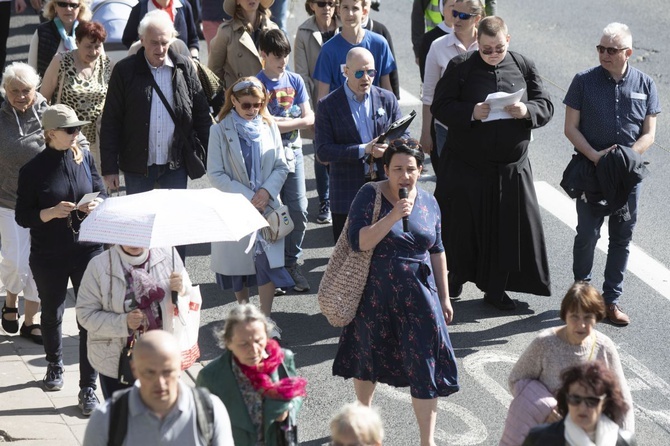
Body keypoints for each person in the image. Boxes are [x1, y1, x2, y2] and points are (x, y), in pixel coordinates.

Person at [332, 140, 459, 446]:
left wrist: (444, 296)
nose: (404, 176)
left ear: (420, 171)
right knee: (367, 358)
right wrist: (393, 216)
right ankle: (362, 423)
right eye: (398, 169)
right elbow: (359, 241)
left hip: (419, 295)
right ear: (385, 169)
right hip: (374, 295)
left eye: (411, 169)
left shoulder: (429, 202)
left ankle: (426, 441)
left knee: (425, 363)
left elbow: (437, 250)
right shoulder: (370, 194)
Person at [432, 16, 554, 310]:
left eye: (498, 48)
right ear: (477, 44)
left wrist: (526, 109)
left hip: (510, 170)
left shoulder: (523, 64)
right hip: (468, 167)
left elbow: (546, 105)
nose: (493, 55)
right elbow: (440, 106)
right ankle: (456, 277)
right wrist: (472, 112)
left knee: (506, 233)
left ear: (507, 41)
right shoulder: (461, 67)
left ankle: (497, 290)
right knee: (462, 230)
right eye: (486, 50)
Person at [563, 22, 660, 326]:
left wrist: (625, 159)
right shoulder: (583, 81)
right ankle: (581, 296)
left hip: (626, 175)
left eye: (611, 50)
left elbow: (649, 134)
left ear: (628, 53)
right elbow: (570, 128)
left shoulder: (645, 84)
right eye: (601, 48)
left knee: (621, 238)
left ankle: (610, 301)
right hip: (591, 170)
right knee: (588, 234)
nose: (604, 54)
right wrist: (596, 157)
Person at [14, 104, 105, 416]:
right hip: (49, 253)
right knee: (51, 314)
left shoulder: (85, 156)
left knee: (88, 317)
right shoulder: (33, 170)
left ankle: (88, 387)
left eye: (78, 129)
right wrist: (51, 212)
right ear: (51, 133)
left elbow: (101, 191)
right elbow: (23, 216)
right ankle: (54, 365)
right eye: (70, 130)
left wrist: (93, 205)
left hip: (88, 249)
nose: (76, 134)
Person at [207, 77, 291, 338]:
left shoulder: (269, 125)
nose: (253, 109)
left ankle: (265, 321)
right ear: (233, 101)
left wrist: (265, 192)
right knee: (239, 269)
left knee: (266, 263)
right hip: (235, 206)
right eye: (247, 105)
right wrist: (250, 196)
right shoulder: (219, 130)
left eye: (258, 104)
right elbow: (216, 173)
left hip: (266, 206)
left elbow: (281, 165)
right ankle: (245, 316)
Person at [504, 282, 634, 443]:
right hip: (551, 432)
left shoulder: (604, 346)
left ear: (597, 317)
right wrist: (547, 407)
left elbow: (621, 397)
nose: (581, 325)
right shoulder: (545, 343)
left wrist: (624, 437)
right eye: (575, 317)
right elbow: (516, 380)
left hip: (588, 434)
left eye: (588, 317)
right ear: (565, 315)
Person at [100, 10, 210, 197]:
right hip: (137, 168)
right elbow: (111, 121)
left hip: (175, 165)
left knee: (173, 222)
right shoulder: (124, 71)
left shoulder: (184, 68)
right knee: (139, 222)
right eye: (154, 43)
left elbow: (202, 117)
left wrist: (212, 160)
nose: (160, 49)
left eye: (164, 43)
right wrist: (109, 168)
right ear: (142, 40)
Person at [76, 245, 193, 399]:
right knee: (121, 419)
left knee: (160, 417)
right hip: (116, 360)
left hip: (161, 356)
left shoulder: (167, 255)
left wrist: (182, 288)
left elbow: (188, 295)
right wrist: (123, 323)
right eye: (128, 238)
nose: (135, 243)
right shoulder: (99, 265)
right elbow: (85, 314)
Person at [83, 330, 235, 446]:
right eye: (150, 372)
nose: (160, 382)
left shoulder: (209, 411)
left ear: (180, 366)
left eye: (167, 372)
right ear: (134, 369)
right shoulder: (106, 419)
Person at [315, 47, 402, 242]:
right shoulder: (328, 105)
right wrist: (364, 149)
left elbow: (403, 137)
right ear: (345, 71)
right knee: (347, 254)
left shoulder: (387, 99)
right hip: (346, 191)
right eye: (359, 72)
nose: (366, 77)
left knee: (384, 252)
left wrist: (389, 149)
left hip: (384, 186)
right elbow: (323, 152)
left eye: (370, 72)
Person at [196, 304, 306, 446]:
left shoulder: (283, 359)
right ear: (228, 343)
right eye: (244, 344)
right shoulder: (210, 377)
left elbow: (296, 394)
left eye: (259, 341)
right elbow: (201, 424)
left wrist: (288, 410)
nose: (254, 350)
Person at [257, 29, 314, 293]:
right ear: (263, 55)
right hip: (268, 156)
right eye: (277, 56)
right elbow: (265, 123)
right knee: (271, 212)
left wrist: (280, 122)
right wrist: (290, 123)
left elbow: (309, 118)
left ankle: (292, 263)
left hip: (294, 152)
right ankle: (273, 269)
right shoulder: (258, 84)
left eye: (285, 55)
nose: (282, 61)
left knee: (299, 210)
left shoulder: (295, 81)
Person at [0, 63, 44, 345]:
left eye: (25, 90)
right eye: (13, 91)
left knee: (39, 264)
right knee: (16, 261)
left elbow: (72, 140)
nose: (20, 96)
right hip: (7, 200)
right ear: (5, 90)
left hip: (43, 204)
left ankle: (30, 322)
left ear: (35, 89)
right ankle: (10, 299)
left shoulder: (46, 111)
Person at [40, 20, 112, 170]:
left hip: (96, 140)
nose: (93, 52)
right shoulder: (61, 61)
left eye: (97, 46)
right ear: (77, 42)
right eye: (88, 46)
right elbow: (43, 99)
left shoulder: (105, 64)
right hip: (65, 138)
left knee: (96, 187)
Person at [293, 0, 339, 225]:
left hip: (345, 100)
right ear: (311, 5)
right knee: (322, 154)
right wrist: (310, 111)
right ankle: (325, 201)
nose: (327, 7)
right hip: (318, 102)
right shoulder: (304, 32)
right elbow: (302, 76)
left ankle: (344, 200)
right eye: (321, 3)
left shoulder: (345, 25)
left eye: (331, 2)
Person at [421, 0, 483, 157]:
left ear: (477, 19)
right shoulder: (437, 46)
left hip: (482, 128)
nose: (456, 19)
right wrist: (426, 133)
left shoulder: (487, 46)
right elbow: (429, 93)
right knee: (451, 179)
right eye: (455, 13)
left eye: (463, 16)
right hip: (446, 129)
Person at [523, 362, 635, 446]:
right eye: (575, 399)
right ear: (566, 399)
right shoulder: (540, 438)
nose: (582, 407)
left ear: (605, 403)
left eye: (591, 401)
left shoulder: (623, 442)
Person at [313, 0, 395, 102]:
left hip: (372, 113)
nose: (350, 13)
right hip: (340, 114)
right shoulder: (328, 49)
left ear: (364, 12)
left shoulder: (379, 44)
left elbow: (386, 87)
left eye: (355, 8)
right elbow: (322, 96)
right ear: (338, 10)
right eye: (345, 8)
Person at [207, 0, 278, 90]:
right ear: (237, 2)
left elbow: (279, 65)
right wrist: (226, 97)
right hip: (238, 98)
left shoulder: (272, 30)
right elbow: (214, 72)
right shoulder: (226, 32)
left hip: (268, 97)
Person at [28, 0, 93, 78]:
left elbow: (100, 65)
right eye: (62, 4)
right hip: (47, 88)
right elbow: (31, 70)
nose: (68, 9)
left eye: (73, 5)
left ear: (81, 8)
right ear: (55, 6)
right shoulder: (42, 32)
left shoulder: (89, 32)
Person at [122, 0, 200, 58]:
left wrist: (194, 59)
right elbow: (128, 39)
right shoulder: (140, 8)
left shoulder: (184, 6)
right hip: (147, 69)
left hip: (181, 68)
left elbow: (193, 40)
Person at [361, 3, 400, 99]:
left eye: (365, 3)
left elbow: (390, 68)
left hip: (376, 97)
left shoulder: (380, 31)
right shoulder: (341, 32)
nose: (362, 7)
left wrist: (395, 95)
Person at [417, 0, 455, 81]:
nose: (456, 11)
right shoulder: (429, 40)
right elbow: (427, 78)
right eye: (452, 6)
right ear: (443, 9)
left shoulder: (472, 37)